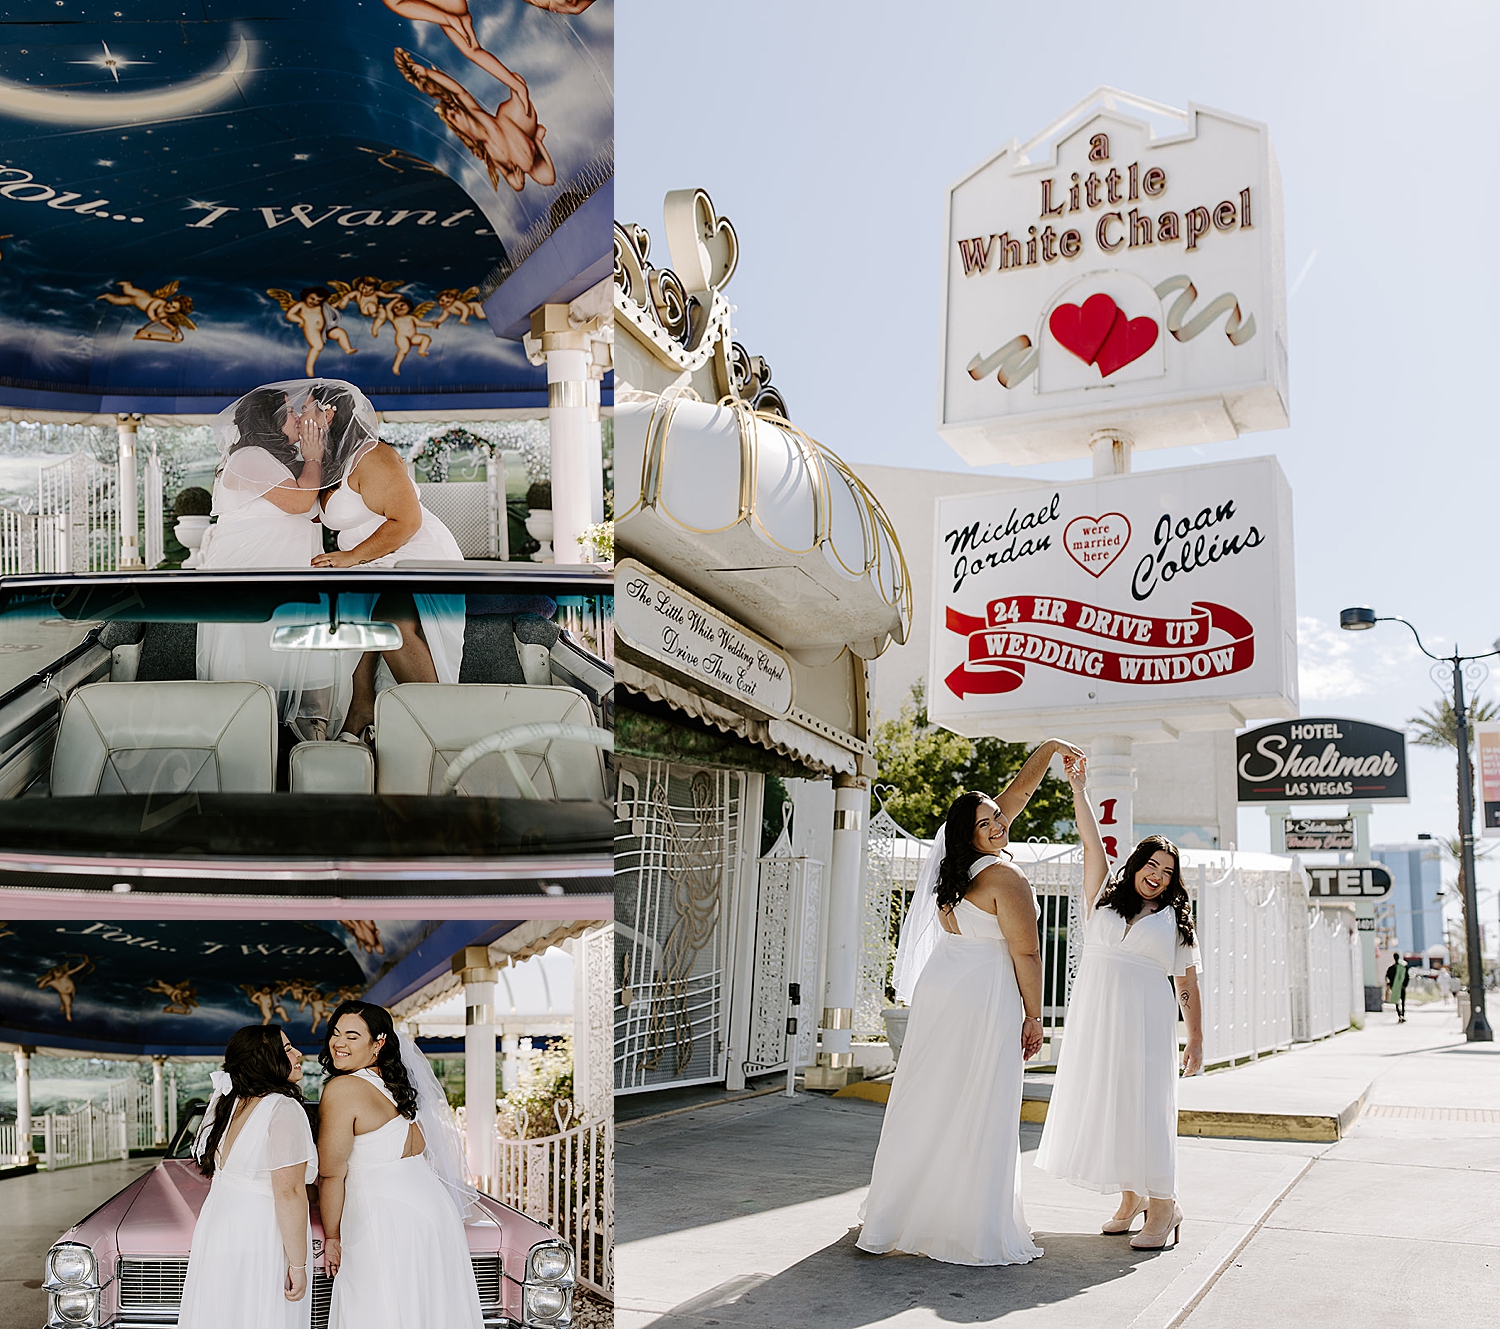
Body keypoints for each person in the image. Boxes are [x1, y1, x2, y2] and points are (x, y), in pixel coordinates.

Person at [857, 738, 1084, 1266]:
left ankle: (899, 1211)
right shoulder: (1006, 876)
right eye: (988, 823)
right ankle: (967, 1221)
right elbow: (1026, 954)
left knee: (928, 1095)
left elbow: (1017, 795)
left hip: (943, 985)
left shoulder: (950, 873)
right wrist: (1034, 1016)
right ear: (972, 834)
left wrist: (1049, 751)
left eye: (998, 818)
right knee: (982, 1099)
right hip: (984, 992)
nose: (1000, 825)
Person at [1034, 779, 1203, 1251]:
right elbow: (1091, 840)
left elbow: (1186, 983)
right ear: (1135, 865)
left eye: (1168, 871)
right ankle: (1132, 1200)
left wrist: (1196, 1038)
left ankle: (1164, 1204)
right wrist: (1078, 789)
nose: (1157, 875)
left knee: (1147, 1107)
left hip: (1146, 1022)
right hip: (1098, 1020)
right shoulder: (1103, 898)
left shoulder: (1176, 919)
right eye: (1151, 864)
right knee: (1114, 1104)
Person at [196, 380, 377, 739]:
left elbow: (312, 508)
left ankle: (307, 751)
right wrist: (312, 456)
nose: (296, 416)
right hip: (253, 584)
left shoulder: (286, 462)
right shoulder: (247, 457)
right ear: (267, 420)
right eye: (289, 411)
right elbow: (298, 503)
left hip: (290, 583)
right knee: (257, 678)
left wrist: (321, 438)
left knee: (301, 670)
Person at [309, 383, 466, 744]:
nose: (304, 417)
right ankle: (361, 709)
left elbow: (407, 522)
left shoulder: (373, 457)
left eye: (310, 411)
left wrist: (350, 556)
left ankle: (438, 728)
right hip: (368, 566)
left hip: (414, 556)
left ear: (329, 414)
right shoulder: (326, 463)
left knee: (388, 621)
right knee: (354, 615)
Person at [316, 1000, 484, 1328]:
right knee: (428, 1307)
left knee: (377, 1307)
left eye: (352, 1036)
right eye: (336, 1034)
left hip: (382, 1216)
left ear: (377, 1043)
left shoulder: (343, 1088)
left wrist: (333, 1236)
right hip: (433, 1210)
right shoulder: (402, 1089)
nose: (339, 1043)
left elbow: (331, 1173)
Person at [178, 1026, 317, 1329]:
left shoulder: (229, 1103)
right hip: (261, 1235)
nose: (298, 1054)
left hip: (219, 1231)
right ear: (266, 1059)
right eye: (288, 1048)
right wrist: (298, 1264)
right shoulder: (283, 1108)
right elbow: (290, 1193)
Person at [1386, 953, 1409, 1022]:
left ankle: (1400, 1015)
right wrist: (1404, 985)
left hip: (1396, 987)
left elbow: (1388, 977)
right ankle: (1402, 1015)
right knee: (1401, 1002)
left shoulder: (1392, 968)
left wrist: (1390, 985)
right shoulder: (1402, 967)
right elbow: (1407, 977)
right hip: (1400, 987)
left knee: (1397, 1002)